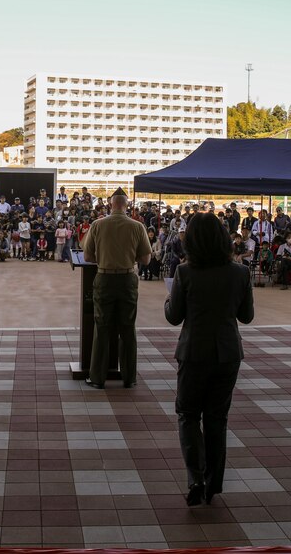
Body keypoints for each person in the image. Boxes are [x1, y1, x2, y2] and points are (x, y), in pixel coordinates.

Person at [164, 212, 253, 507]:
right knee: (217, 419)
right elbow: (246, 316)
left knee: (188, 415)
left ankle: (196, 478)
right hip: (228, 354)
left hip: (194, 352)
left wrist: (168, 299)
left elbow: (174, 317)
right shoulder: (240, 273)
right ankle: (214, 482)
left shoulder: (185, 272)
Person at [82, 187, 151, 390]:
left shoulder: (97, 225)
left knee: (101, 328)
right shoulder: (137, 227)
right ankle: (129, 378)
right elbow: (146, 258)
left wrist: (104, 258)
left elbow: (87, 257)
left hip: (104, 277)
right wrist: (129, 259)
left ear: (111, 204)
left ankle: (97, 378)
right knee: (128, 328)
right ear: (127, 205)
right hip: (128, 279)